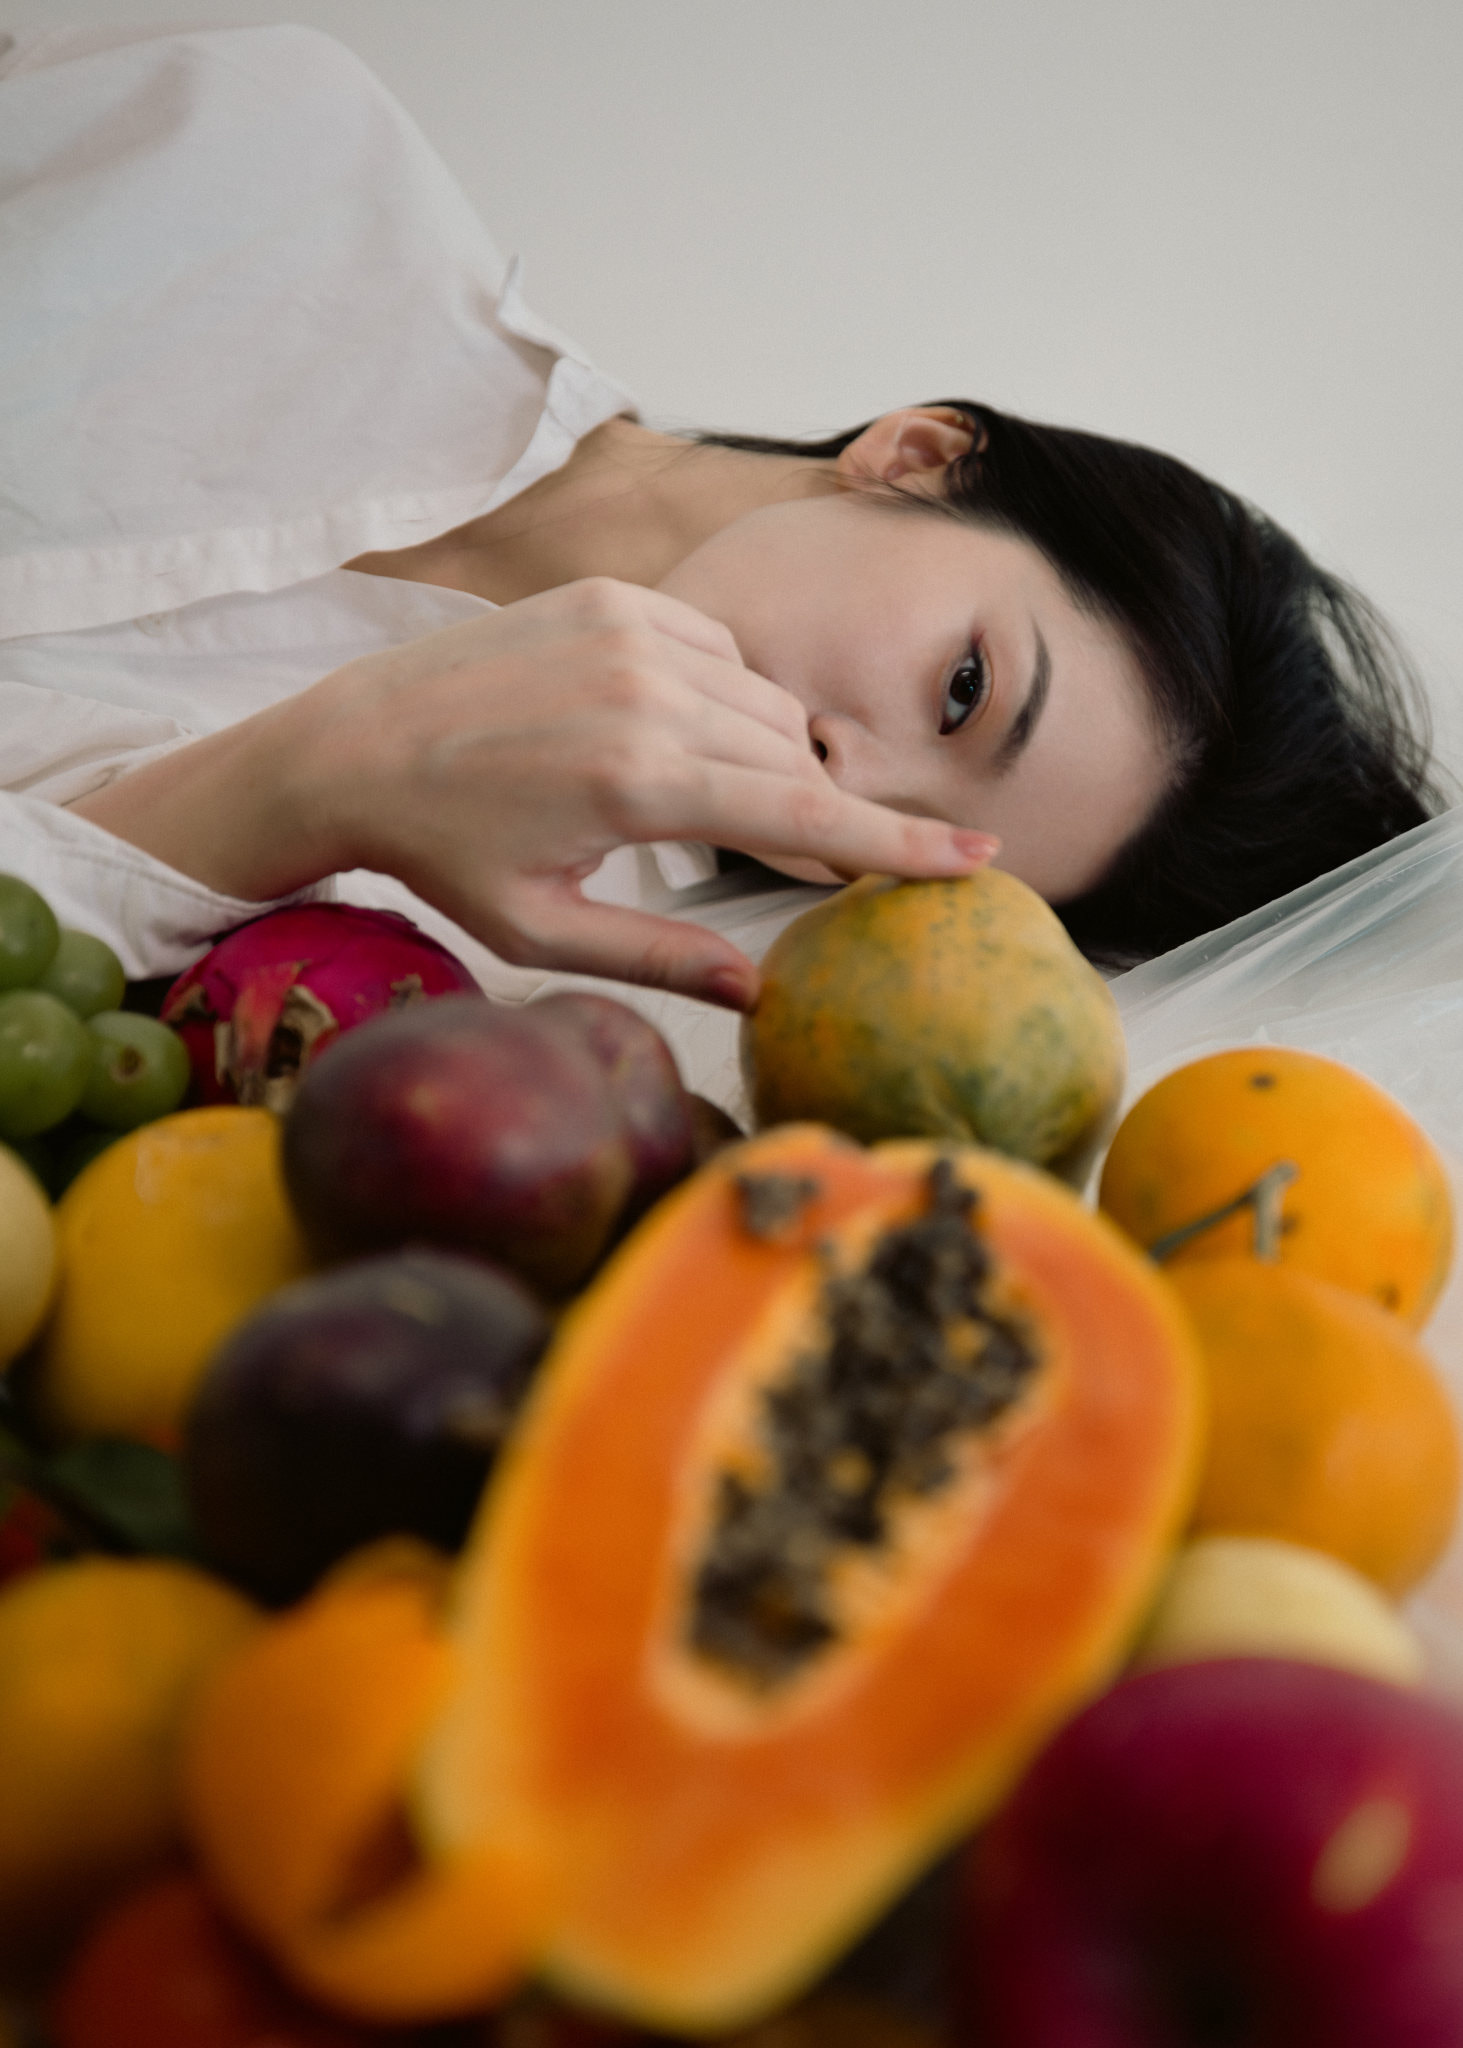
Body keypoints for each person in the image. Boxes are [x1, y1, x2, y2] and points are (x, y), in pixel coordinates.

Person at [0, 22, 1437, 1100]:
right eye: (961, 693)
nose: (838, 789)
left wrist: (311, 777)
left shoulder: (491, 946)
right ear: (923, 458)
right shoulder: (289, 168)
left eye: (896, 859)